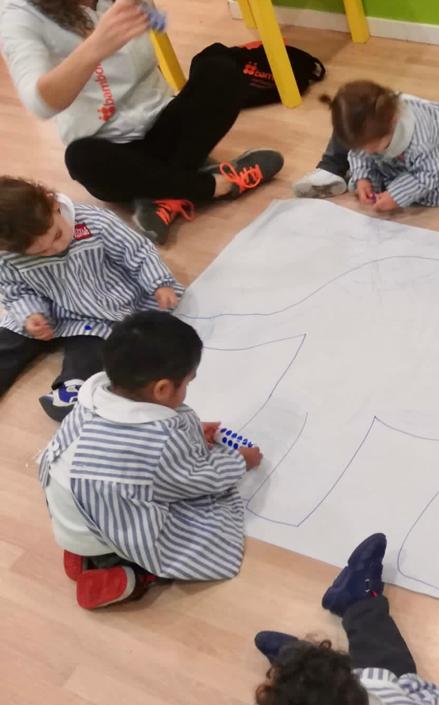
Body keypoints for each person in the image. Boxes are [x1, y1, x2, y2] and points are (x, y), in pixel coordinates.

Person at [0, 0, 284, 243]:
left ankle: (160, 193)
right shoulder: (17, 14)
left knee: (222, 70)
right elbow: (40, 103)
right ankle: (208, 185)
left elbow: (158, 22)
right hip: (112, 152)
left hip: (162, 122)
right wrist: (96, 46)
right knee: (80, 158)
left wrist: (144, 16)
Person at [38, 311, 262, 609]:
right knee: (194, 532)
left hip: (70, 522)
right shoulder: (159, 440)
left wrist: (191, 433)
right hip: (103, 532)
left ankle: (83, 556)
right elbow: (196, 478)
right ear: (162, 389)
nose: (187, 390)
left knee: (101, 514)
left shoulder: (93, 399)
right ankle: (131, 575)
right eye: (187, 383)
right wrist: (239, 461)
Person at [237, 533, 439, 705]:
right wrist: (406, 686)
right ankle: (356, 601)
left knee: (309, 688)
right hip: (387, 692)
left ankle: (296, 669)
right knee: (389, 661)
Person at [0, 175, 182, 420]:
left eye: (57, 236)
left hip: (97, 309)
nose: (55, 248)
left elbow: (138, 253)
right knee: (8, 339)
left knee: (90, 349)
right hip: (48, 305)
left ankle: (71, 391)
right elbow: (15, 289)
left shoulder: (96, 223)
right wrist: (30, 314)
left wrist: (159, 284)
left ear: (54, 204)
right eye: (40, 253)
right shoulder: (8, 255)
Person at [302, 81, 439, 211]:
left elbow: (429, 173)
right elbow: (358, 154)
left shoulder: (424, 138)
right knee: (360, 183)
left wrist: (397, 195)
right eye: (362, 147)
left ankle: (397, 183)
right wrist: (363, 178)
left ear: (393, 121)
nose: (367, 151)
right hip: (398, 160)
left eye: (372, 146)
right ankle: (380, 180)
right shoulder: (373, 128)